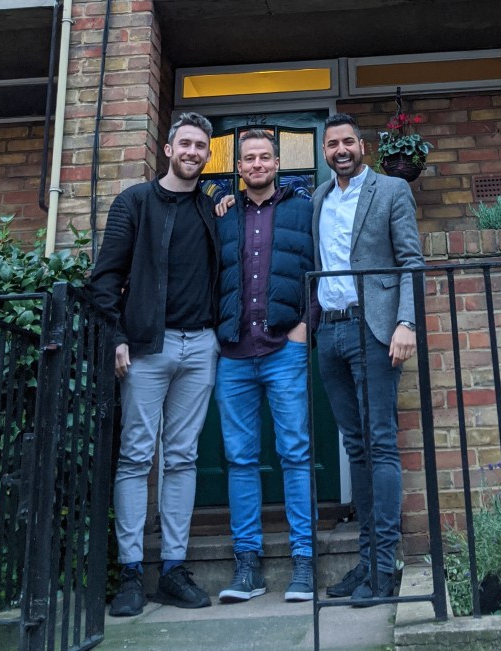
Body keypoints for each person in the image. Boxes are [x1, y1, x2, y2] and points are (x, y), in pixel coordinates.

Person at [89, 112, 219, 617]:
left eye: (200, 147)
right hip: (148, 348)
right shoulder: (135, 203)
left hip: (200, 346)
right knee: (136, 458)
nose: (191, 152)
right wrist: (118, 336)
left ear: (208, 155)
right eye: (184, 144)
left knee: (182, 457)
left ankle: (173, 570)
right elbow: (105, 278)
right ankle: (129, 573)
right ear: (168, 149)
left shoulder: (210, 209)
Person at [312, 113, 424, 601]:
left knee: (380, 445)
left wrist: (407, 322)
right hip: (329, 333)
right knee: (355, 447)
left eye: (348, 142)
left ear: (363, 146)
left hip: (374, 329)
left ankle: (383, 569)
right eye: (332, 143)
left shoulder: (392, 191)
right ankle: (365, 562)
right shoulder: (317, 198)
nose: (341, 149)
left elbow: (411, 261)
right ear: (324, 152)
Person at [213, 129, 316, 604]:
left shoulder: (303, 208)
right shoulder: (223, 215)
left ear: (277, 163)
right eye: (248, 158)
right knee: (240, 460)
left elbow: (320, 267)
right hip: (233, 353)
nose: (256, 164)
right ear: (239, 168)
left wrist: (305, 326)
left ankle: (304, 563)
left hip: (284, 348)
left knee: (295, 453)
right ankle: (247, 566)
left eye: (264, 157)